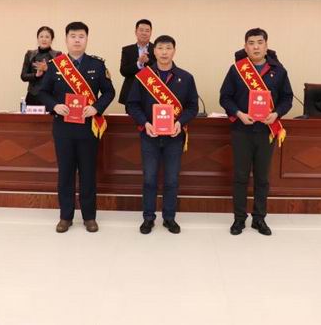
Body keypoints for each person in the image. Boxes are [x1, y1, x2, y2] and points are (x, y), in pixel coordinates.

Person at [37, 22, 115, 233]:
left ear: (87, 39)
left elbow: (109, 92)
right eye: (73, 36)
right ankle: (65, 216)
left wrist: (96, 108)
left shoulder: (97, 65)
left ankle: (89, 217)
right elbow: (42, 92)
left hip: (88, 128)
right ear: (66, 39)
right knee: (66, 173)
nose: (77, 40)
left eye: (81, 36)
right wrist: (55, 106)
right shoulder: (55, 65)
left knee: (88, 173)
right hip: (63, 128)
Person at [219, 28, 293, 236]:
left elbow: (287, 98)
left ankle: (259, 218)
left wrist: (276, 113)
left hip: (266, 131)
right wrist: (239, 113)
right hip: (242, 129)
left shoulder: (279, 71)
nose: (256, 47)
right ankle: (239, 219)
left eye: (260, 42)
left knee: (262, 177)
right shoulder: (237, 69)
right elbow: (225, 97)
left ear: (266, 45)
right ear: (245, 47)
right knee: (240, 176)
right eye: (251, 43)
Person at [125, 35, 198, 234]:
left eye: (168, 48)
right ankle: (148, 218)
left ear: (174, 51)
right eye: (160, 48)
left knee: (171, 180)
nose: (164, 52)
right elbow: (132, 105)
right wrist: (145, 123)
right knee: (149, 179)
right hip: (149, 136)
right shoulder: (143, 77)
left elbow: (192, 107)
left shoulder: (186, 77)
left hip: (174, 137)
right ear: (153, 51)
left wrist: (180, 122)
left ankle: (169, 218)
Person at [118, 19, 155, 105]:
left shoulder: (156, 49)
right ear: (136, 32)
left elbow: (160, 68)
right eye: (141, 30)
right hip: (131, 92)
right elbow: (123, 71)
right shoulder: (127, 50)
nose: (144, 33)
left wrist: (148, 61)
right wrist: (139, 64)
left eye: (147, 31)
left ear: (151, 33)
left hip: (152, 92)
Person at [20, 26, 60, 106]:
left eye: (47, 37)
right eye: (41, 36)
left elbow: (60, 78)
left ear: (52, 39)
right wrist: (36, 75)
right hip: (33, 95)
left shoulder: (57, 55)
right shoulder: (30, 54)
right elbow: (23, 76)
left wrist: (48, 69)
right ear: (37, 39)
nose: (44, 39)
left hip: (50, 96)